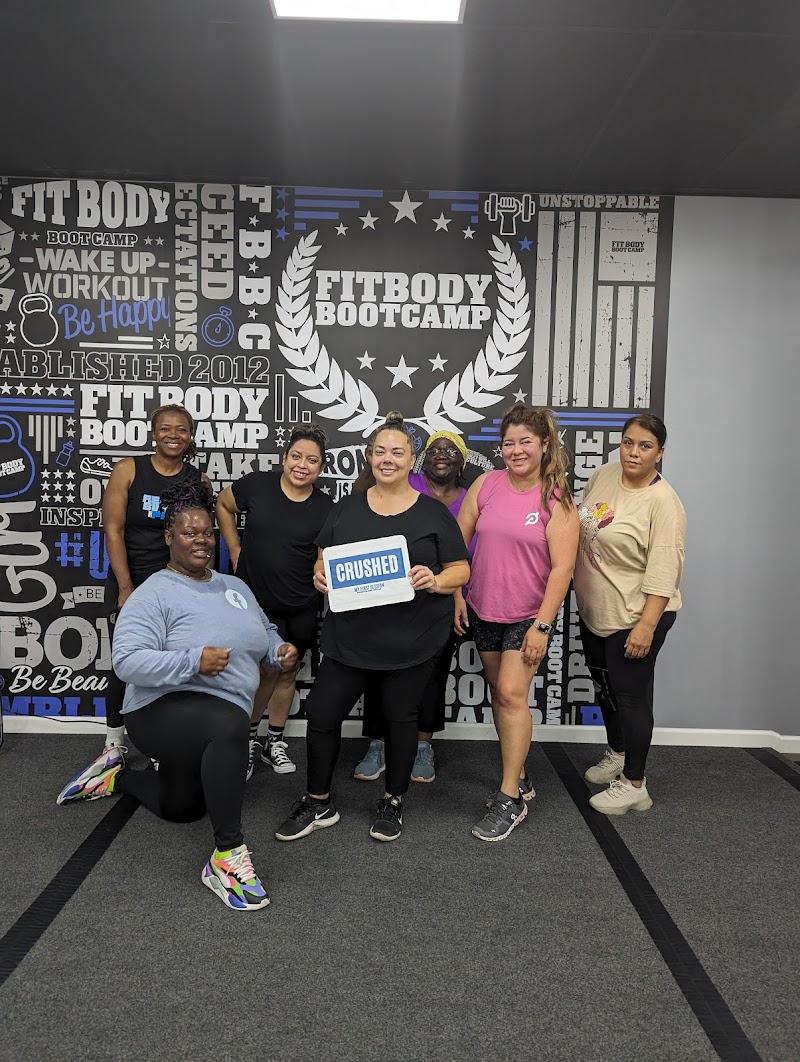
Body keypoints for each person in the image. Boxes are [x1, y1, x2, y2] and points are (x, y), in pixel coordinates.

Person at [56, 480, 299, 911]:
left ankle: (117, 778)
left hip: (208, 716)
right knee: (229, 726)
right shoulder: (154, 592)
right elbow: (126, 661)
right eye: (189, 532)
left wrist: (279, 652)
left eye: (207, 532)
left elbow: (263, 632)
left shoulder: (235, 587)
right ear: (169, 537)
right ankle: (226, 858)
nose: (201, 540)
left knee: (183, 807)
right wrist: (193, 661)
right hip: (157, 712)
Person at [275, 412, 470, 844]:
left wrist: (436, 580)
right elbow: (323, 557)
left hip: (411, 640)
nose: (387, 459)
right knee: (322, 716)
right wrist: (320, 574)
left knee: (400, 719)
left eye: (397, 452)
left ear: (411, 460)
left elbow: (461, 569)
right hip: (349, 639)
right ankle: (317, 801)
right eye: (380, 451)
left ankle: (392, 800)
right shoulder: (347, 507)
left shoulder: (434, 514)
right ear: (369, 457)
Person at [455, 405, 579, 841]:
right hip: (483, 608)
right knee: (500, 694)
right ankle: (520, 774)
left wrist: (542, 626)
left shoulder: (556, 498)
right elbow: (457, 545)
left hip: (528, 616)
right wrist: (456, 593)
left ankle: (510, 798)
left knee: (510, 694)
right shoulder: (486, 484)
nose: (516, 450)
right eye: (509, 443)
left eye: (526, 441)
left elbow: (563, 568)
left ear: (544, 445)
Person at [573, 414, 686, 815]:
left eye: (645, 446)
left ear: (660, 453)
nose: (633, 452)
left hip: (635, 617)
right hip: (597, 612)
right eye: (628, 442)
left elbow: (664, 573)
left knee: (632, 699)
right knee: (606, 688)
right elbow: (583, 527)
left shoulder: (663, 503)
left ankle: (635, 784)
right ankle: (618, 753)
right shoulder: (605, 474)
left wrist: (646, 627)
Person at [351, 429, 470, 784]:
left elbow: (460, 558)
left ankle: (422, 745)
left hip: (442, 597)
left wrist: (454, 593)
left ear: (462, 462)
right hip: (386, 600)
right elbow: (362, 494)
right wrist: (377, 455)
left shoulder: (470, 498)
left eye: (450, 451)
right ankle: (377, 742)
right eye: (434, 450)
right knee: (378, 672)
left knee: (432, 675)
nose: (442, 456)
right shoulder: (407, 482)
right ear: (420, 458)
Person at [216, 425, 333, 780]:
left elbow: (322, 554)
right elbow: (223, 504)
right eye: (296, 456)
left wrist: (320, 569)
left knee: (288, 670)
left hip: (301, 602)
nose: (302, 465)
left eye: (311, 460)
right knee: (264, 670)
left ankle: (275, 742)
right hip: (255, 601)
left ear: (321, 467)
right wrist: (234, 549)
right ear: (284, 458)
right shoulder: (257, 485)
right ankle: (249, 740)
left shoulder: (325, 507)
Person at [99, 403, 204, 753]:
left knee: (171, 665)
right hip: (132, 583)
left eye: (181, 429)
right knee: (125, 664)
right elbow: (113, 530)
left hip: (178, 588)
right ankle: (114, 743)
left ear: (190, 436)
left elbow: (199, 540)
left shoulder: (197, 480)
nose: (173, 435)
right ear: (153, 433)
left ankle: (162, 744)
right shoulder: (128, 470)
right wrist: (126, 588)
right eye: (165, 428)